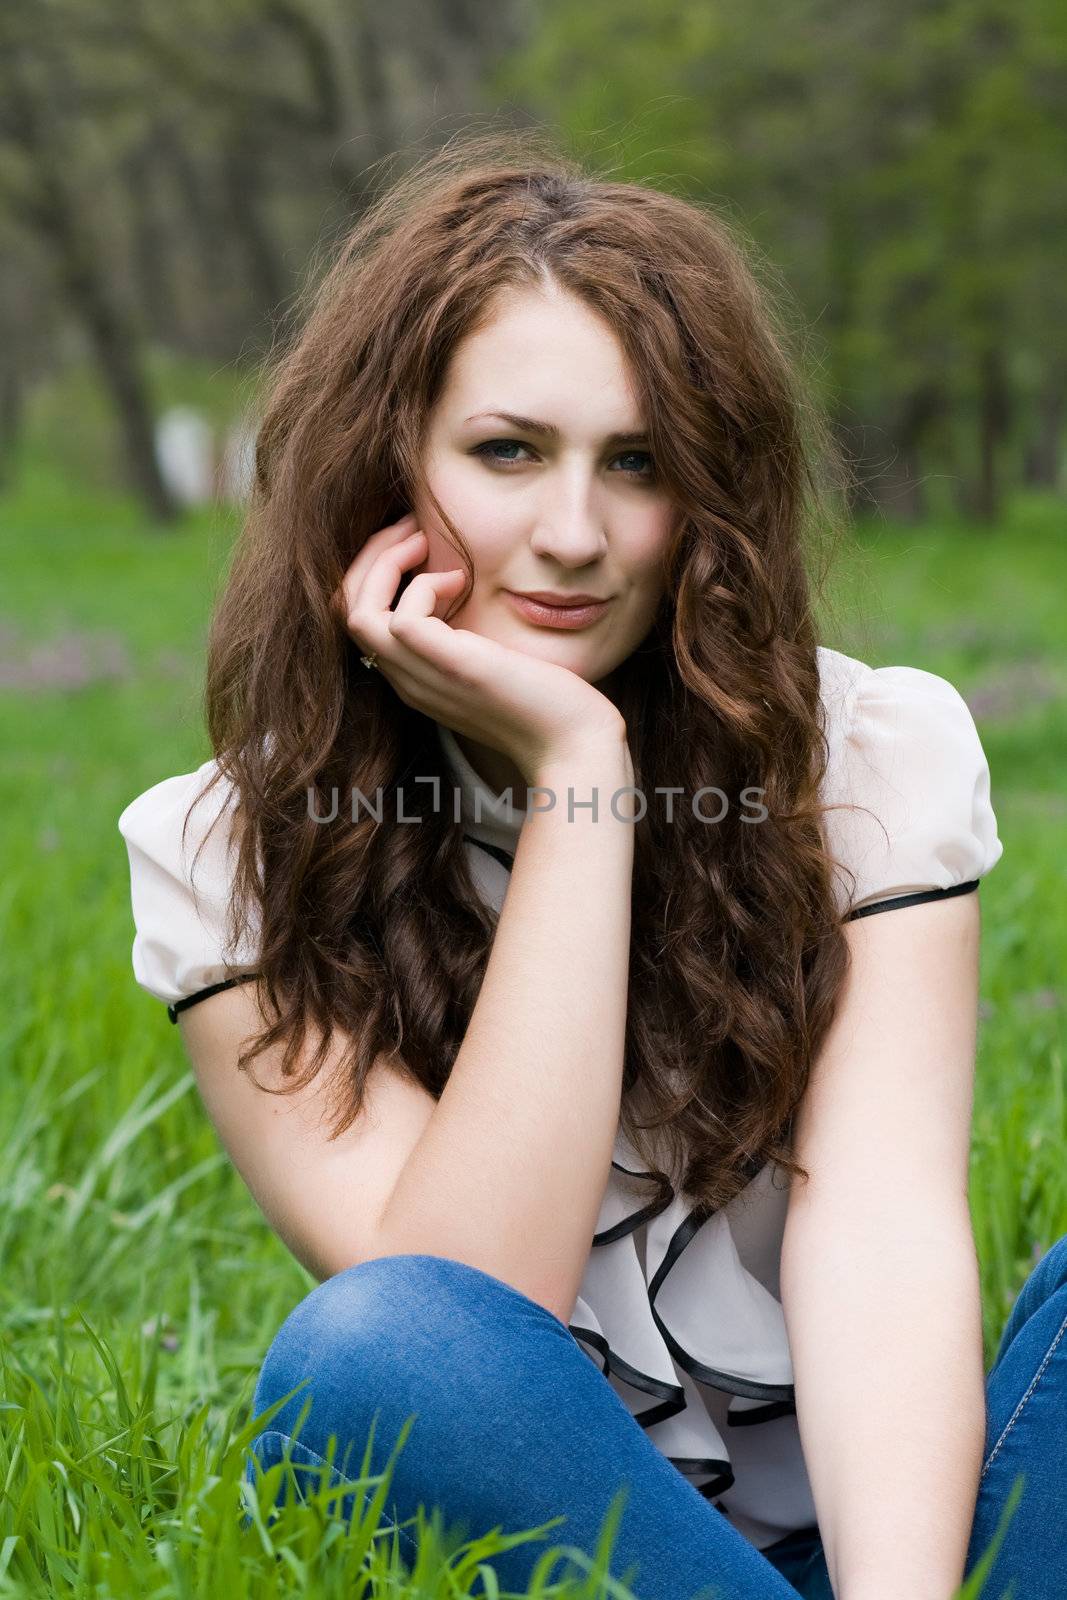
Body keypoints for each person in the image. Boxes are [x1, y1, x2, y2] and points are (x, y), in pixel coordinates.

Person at [117, 131, 1065, 1599]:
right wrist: (580, 778)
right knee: (366, 1355)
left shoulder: (873, 759)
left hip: (907, 1542)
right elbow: (466, 1322)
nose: (574, 537)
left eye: (637, 464)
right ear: (384, 466)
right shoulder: (222, 857)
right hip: (571, 1545)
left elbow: (877, 1230)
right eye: (507, 452)